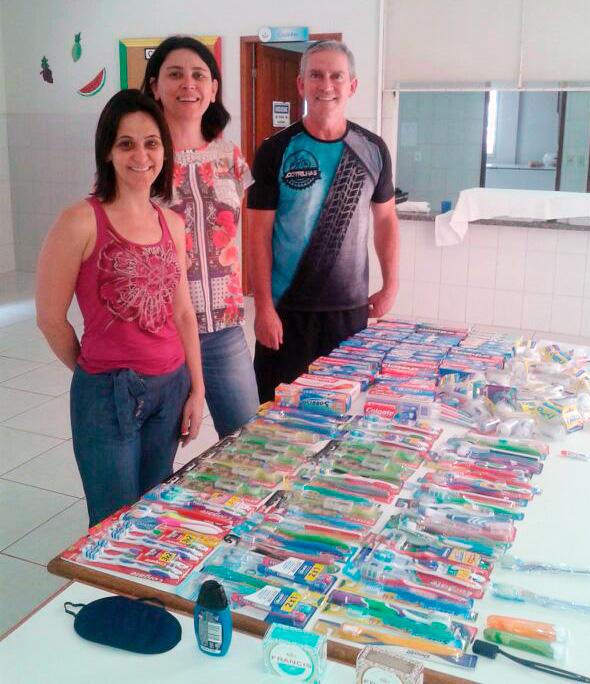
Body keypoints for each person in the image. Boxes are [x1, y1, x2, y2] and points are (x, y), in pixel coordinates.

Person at [36, 89, 204, 527]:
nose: (141, 156)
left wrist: (197, 389)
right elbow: (50, 318)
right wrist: (95, 372)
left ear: (164, 151)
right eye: (126, 143)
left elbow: (183, 314)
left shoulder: (172, 222)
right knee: (113, 524)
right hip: (108, 396)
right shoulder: (79, 221)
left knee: (151, 515)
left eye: (151, 143)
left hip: (171, 387)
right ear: (107, 152)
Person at [247, 40, 400, 403]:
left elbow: (386, 221)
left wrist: (391, 285)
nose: (326, 85)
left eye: (336, 76)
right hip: (287, 313)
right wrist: (263, 307)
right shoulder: (275, 150)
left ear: (352, 85)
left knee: (343, 414)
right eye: (316, 75)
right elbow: (257, 235)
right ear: (301, 84)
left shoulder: (373, 149)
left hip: (349, 313)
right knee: (276, 416)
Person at [142, 36, 259, 437]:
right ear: (155, 86)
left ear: (213, 88)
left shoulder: (230, 156)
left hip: (224, 328)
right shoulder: (142, 159)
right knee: (159, 452)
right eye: (175, 74)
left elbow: (238, 227)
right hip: (162, 329)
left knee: (246, 443)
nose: (188, 84)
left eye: (198, 75)